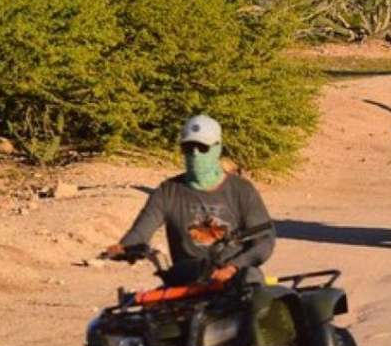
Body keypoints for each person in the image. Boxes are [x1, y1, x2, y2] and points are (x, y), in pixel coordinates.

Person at [104, 115, 275, 286]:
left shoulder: (242, 190)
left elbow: (264, 241)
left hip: (237, 277)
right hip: (188, 277)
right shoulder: (167, 191)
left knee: (254, 290)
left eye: (202, 147)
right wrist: (125, 248)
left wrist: (233, 268)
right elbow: (140, 233)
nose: (195, 153)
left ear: (218, 148)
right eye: (188, 147)